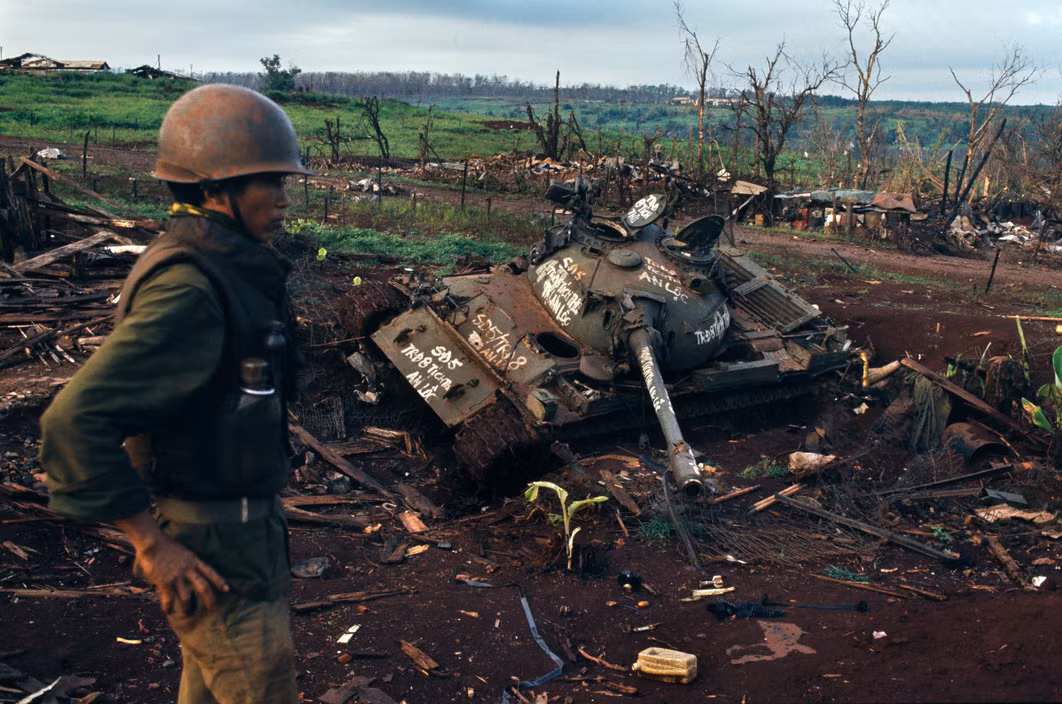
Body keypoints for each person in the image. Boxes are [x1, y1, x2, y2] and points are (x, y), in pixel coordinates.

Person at [40, 83, 312, 704]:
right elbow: (73, 420)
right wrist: (151, 546)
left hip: (242, 536)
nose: (283, 196)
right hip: (213, 544)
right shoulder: (190, 287)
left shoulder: (226, 265)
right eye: (269, 180)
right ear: (217, 189)